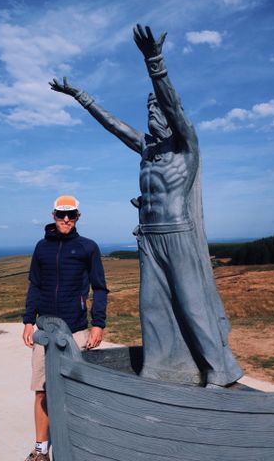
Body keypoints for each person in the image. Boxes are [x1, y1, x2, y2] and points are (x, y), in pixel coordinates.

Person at [49, 25, 243, 388]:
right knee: (152, 307)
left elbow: (169, 101)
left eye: (158, 108)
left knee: (192, 305)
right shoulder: (147, 150)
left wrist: (155, 63)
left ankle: (220, 369)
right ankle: (158, 369)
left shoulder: (186, 147)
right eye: (148, 109)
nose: (152, 113)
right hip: (149, 239)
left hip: (177, 234)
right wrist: (79, 95)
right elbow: (113, 125)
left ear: (172, 115)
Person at [22, 195, 108, 461]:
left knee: (76, 391)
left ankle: (78, 447)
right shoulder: (41, 247)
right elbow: (34, 284)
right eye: (61, 215)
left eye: (71, 215)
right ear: (53, 215)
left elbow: (100, 288)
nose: (66, 220)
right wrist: (27, 320)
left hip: (76, 330)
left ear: (78, 217)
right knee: (42, 390)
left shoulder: (88, 247)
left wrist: (99, 325)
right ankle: (40, 451)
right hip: (44, 332)